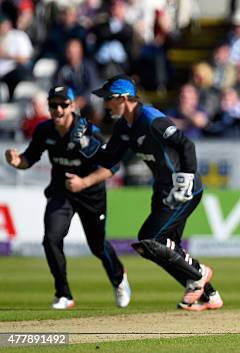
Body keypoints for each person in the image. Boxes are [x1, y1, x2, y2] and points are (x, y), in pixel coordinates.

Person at [70, 75, 223, 311]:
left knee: (151, 239)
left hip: (184, 189)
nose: (105, 105)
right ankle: (209, 295)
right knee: (161, 248)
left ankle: (199, 274)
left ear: (122, 98)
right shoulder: (123, 126)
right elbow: (109, 158)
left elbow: (186, 145)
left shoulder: (152, 119)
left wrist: (186, 178)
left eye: (108, 99)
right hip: (162, 190)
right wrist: (84, 143)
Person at [4, 86, 130, 310]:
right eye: (53, 105)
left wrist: (84, 182)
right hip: (61, 192)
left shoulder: (88, 131)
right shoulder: (44, 130)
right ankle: (63, 294)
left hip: (91, 194)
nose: (58, 109)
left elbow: (111, 166)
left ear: (72, 106)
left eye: (63, 104)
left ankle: (119, 279)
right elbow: (29, 159)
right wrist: (16, 161)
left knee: (98, 246)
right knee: (51, 239)